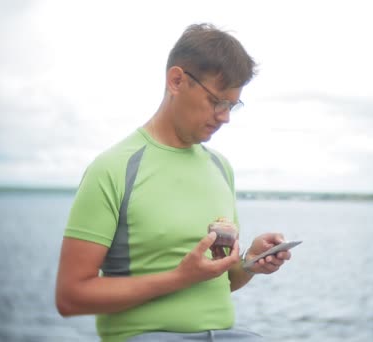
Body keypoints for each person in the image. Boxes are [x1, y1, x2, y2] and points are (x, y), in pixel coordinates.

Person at [55, 23, 292, 342]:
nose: (226, 117)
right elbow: (71, 297)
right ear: (176, 80)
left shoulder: (221, 167)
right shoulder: (113, 168)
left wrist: (249, 262)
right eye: (217, 101)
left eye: (233, 105)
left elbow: (219, 280)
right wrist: (179, 278)